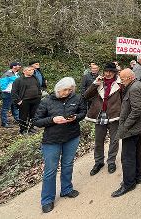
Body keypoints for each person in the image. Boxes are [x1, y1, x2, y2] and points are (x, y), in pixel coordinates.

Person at [34, 77, 87, 213]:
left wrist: (76, 117)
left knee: (68, 164)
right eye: (65, 90)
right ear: (58, 89)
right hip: (52, 140)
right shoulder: (46, 101)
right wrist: (52, 119)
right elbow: (37, 121)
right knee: (50, 170)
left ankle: (66, 189)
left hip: (71, 137)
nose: (68, 92)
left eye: (70, 90)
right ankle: (47, 199)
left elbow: (83, 112)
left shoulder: (77, 98)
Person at [111, 69, 141, 197]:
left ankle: (128, 183)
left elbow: (137, 110)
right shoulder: (138, 84)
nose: (121, 81)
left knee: (127, 157)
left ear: (131, 78)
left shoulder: (133, 88)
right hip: (136, 127)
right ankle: (137, 177)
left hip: (131, 129)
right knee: (136, 152)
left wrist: (125, 126)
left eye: (123, 79)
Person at [84, 63, 122, 176]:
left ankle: (111, 161)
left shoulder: (120, 84)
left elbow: (125, 98)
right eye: (106, 71)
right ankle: (98, 162)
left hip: (114, 114)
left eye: (111, 71)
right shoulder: (98, 82)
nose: (108, 74)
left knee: (114, 140)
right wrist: (95, 84)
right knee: (98, 140)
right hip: (100, 114)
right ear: (103, 72)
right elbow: (86, 95)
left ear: (115, 72)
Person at [11, 66, 42, 134]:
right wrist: (18, 101)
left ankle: (31, 127)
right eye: (29, 70)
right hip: (24, 101)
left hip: (35, 100)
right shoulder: (19, 80)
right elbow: (14, 92)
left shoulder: (35, 78)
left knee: (33, 115)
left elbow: (39, 87)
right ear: (24, 71)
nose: (32, 71)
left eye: (32, 70)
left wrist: (39, 96)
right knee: (23, 116)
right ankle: (23, 129)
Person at [0, 61, 21, 128]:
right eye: (18, 65)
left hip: (15, 94)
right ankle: (4, 122)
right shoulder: (7, 74)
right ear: (14, 66)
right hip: (8, 94)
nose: (20, 66)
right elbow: (2, 84)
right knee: (5, 108)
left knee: (15, 107)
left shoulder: (17, 74)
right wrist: (7, 91)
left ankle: (17, 119)